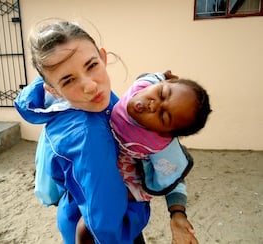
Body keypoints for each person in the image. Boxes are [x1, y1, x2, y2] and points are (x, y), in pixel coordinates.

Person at [14, 18, 199, 243]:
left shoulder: (100, 101)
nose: (90, 86)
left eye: (91, 66)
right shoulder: (88, 136)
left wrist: (163, 81)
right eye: (68, 80)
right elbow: (103, 224)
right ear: (54, 90)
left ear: (103, 57)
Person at [76, 72, 211, 243]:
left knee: (89, 226)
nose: (153, 104)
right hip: (105, 152)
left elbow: (172, 179)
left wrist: (177, 213)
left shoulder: (159, 145)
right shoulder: (146, 84)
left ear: (165, 134)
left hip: (129, 180)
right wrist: (163, 74)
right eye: (162, 93)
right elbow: (153, 77)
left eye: (163, 116)